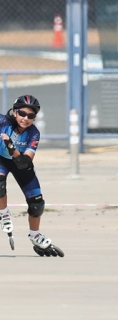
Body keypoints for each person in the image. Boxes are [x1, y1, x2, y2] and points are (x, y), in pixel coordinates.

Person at [0, 95, 63, 256]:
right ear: (15, 112)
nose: (25, 118)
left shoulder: (33, 133)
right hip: (1, 161)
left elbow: (24, 162)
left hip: (19, 163)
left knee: (37, 204)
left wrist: (10, 146)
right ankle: (4, 212)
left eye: (31, 116)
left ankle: (35, 235)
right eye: (22, 113)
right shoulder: (2, 122)